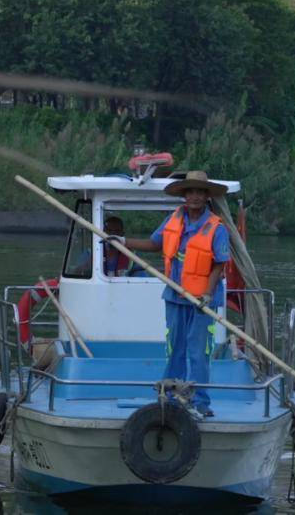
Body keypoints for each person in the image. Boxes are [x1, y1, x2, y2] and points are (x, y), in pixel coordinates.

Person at [119, 171, 230, 419]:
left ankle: (200, 401)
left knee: (198, 352)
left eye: (199, 192)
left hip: (202, 301)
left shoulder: (216, 227)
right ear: (183, 195)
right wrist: (124, 241)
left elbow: (219, 264)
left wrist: (208, 295)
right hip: (175, 296)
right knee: (174, 348)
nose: (194, 197)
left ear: (206, 196)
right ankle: (169, 396)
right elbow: (154, 243)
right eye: (190, 192)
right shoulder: (174, 219)